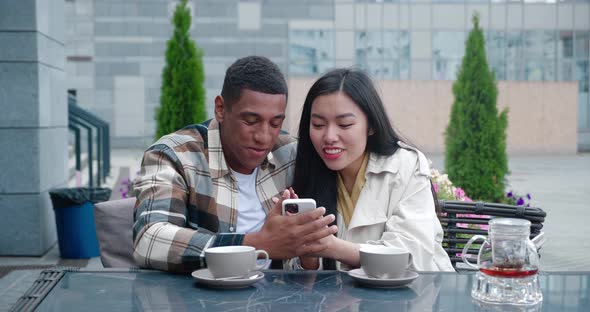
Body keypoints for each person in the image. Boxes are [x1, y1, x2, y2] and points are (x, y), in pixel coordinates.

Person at [133, 56, 337, 273]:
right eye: (250, 121)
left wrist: (305, 252)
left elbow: (306, 264)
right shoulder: (174, 155)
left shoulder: (290, 155)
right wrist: (255, 244)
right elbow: (149, 240)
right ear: (220, 108)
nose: (264, 136)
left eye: (276, 123)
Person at [292, 68, 454, 271]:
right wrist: (308, 254)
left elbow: (411, 255)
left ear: (371, 125)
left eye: (345, 124)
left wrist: (331, 247)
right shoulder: (309, 170)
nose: (329, 136)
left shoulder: (406, 165)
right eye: (318, 124)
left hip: (417, 296)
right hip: (344, 300)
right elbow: (305, 278)